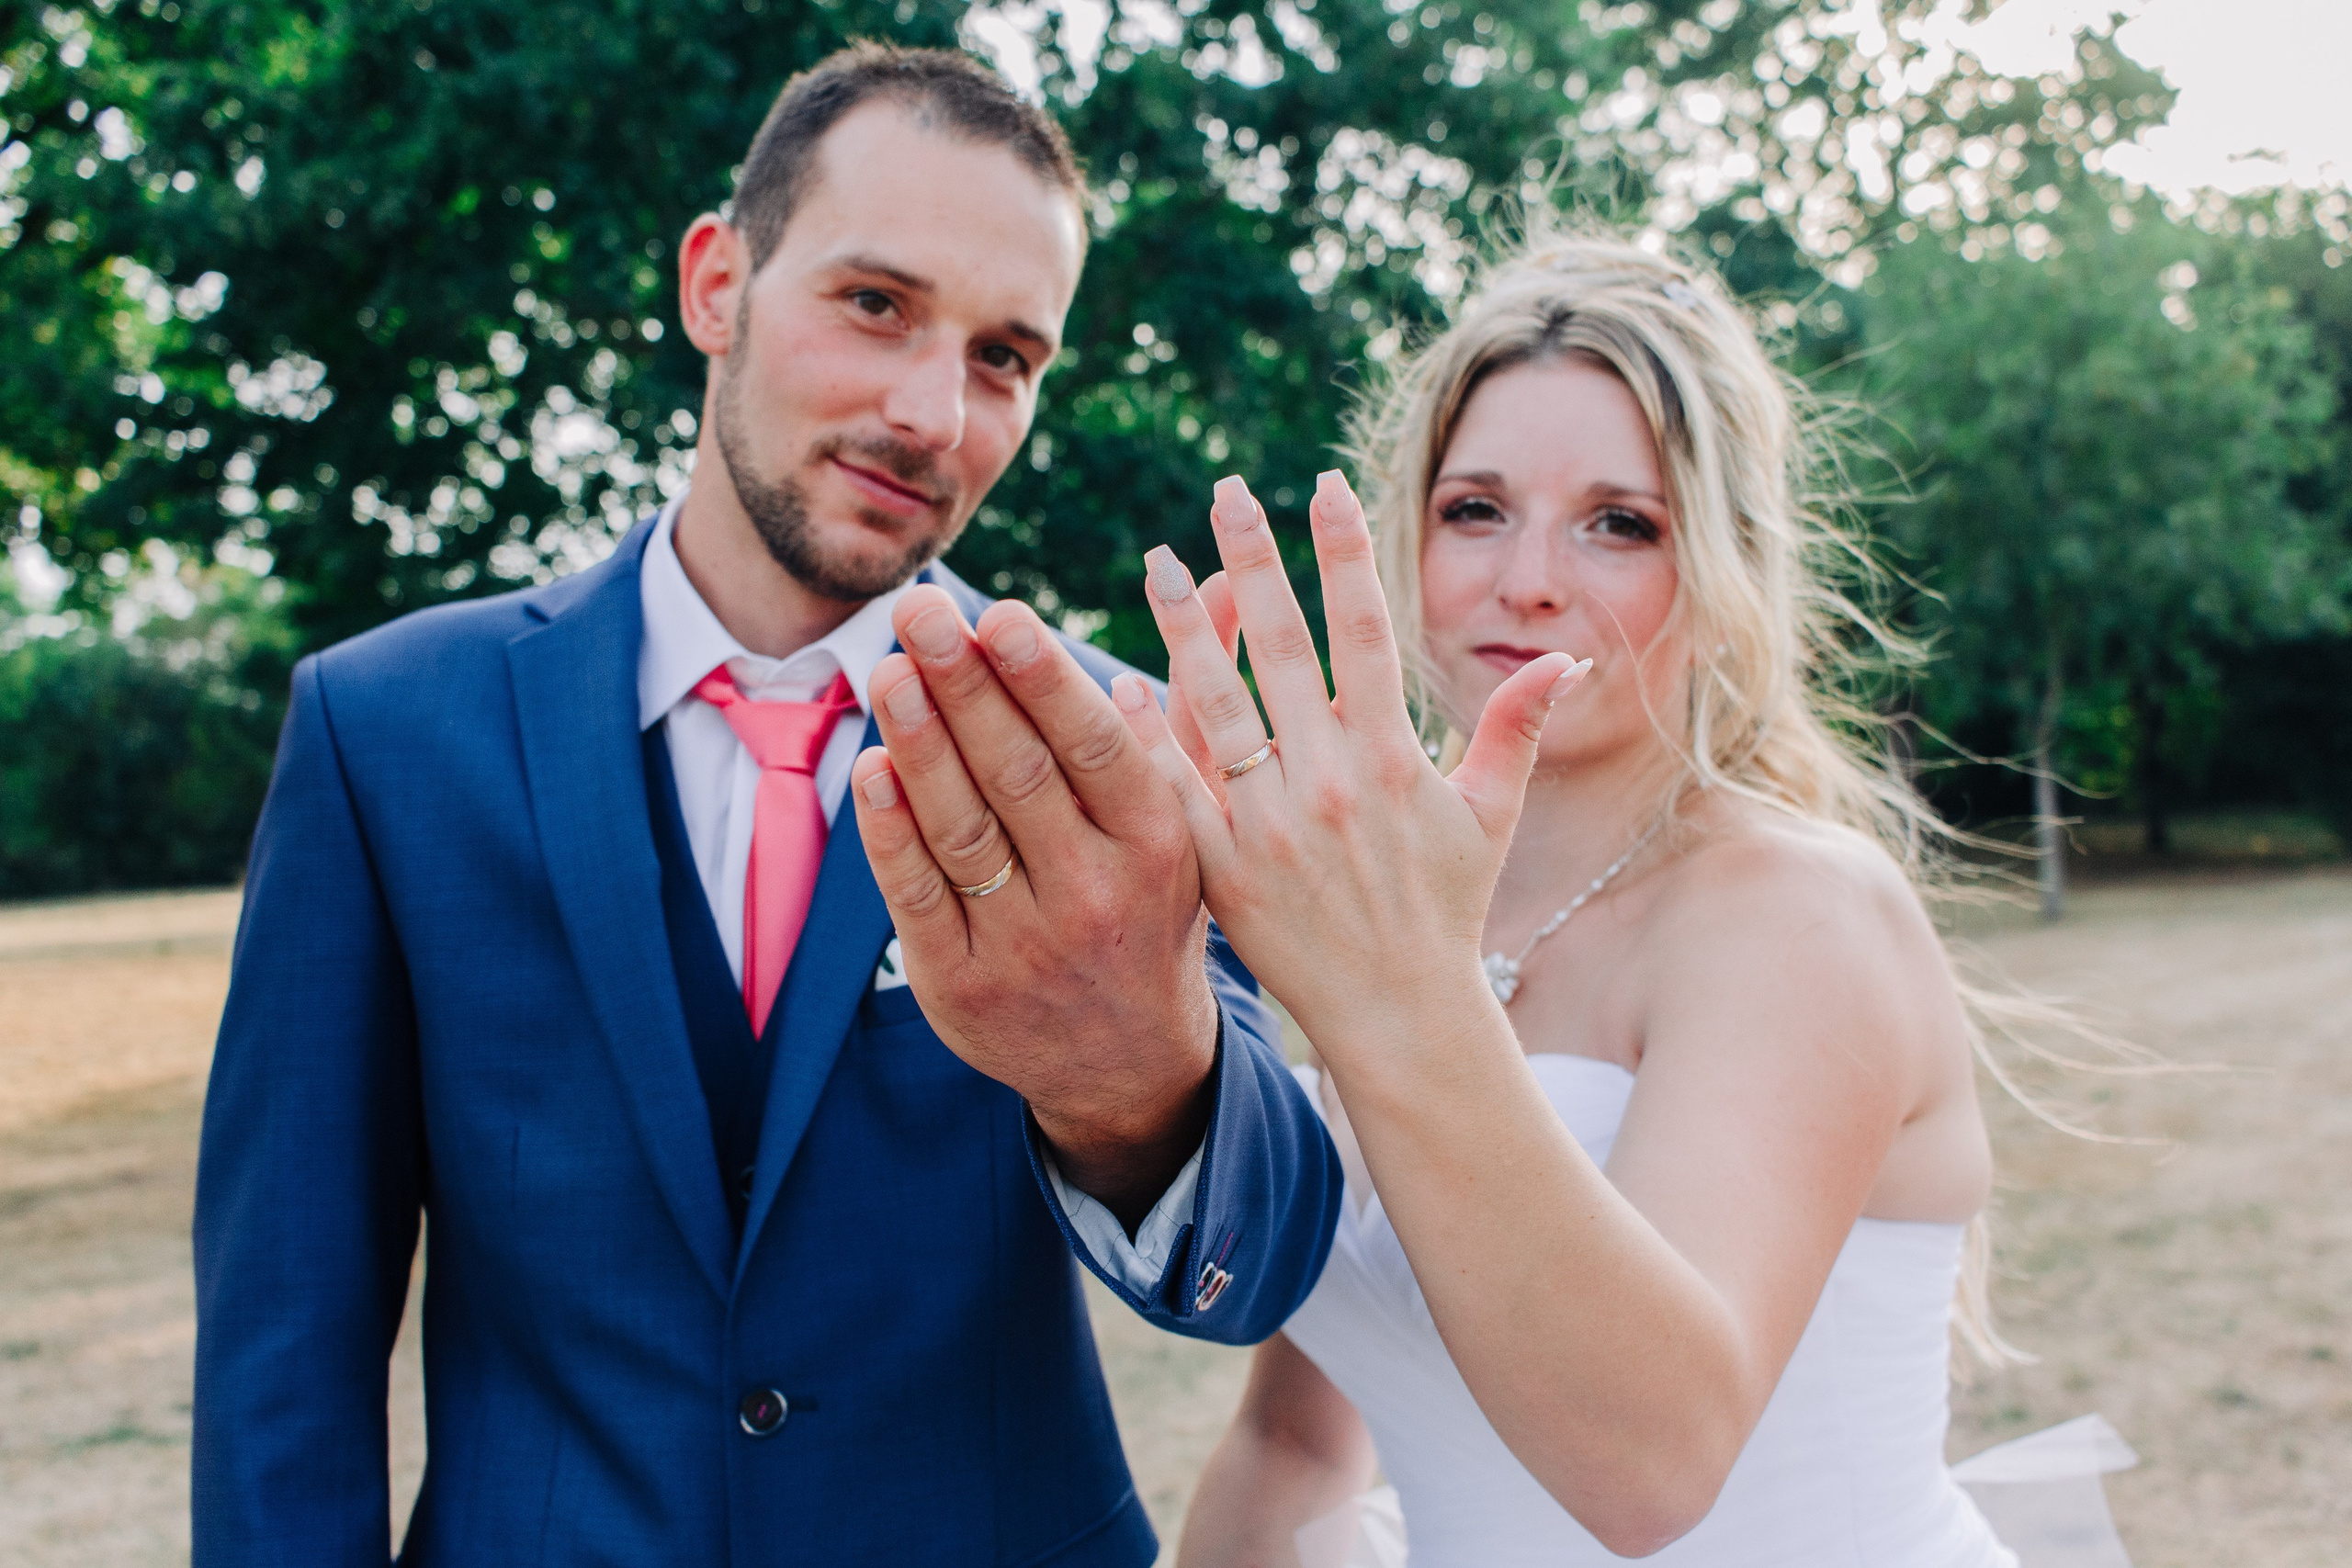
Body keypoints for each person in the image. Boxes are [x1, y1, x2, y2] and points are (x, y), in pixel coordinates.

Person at [191, 43, 1340, 1567]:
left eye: (1005, 356)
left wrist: (1130, 1075)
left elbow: (1251, 1274)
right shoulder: (384, 729)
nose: (934, 410)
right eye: (876, 304)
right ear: (718, 284)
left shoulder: (1114, 743)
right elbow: (289, 1331)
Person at [1118, 230, 2027, 1566]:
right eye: (1474, 509)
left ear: (1723, 571)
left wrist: (1384, 986)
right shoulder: (1399, 913)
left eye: (1620, 523)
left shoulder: (1795, 913)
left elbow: (1654, 1466)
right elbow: (1299, 1445)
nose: (1528, 577)